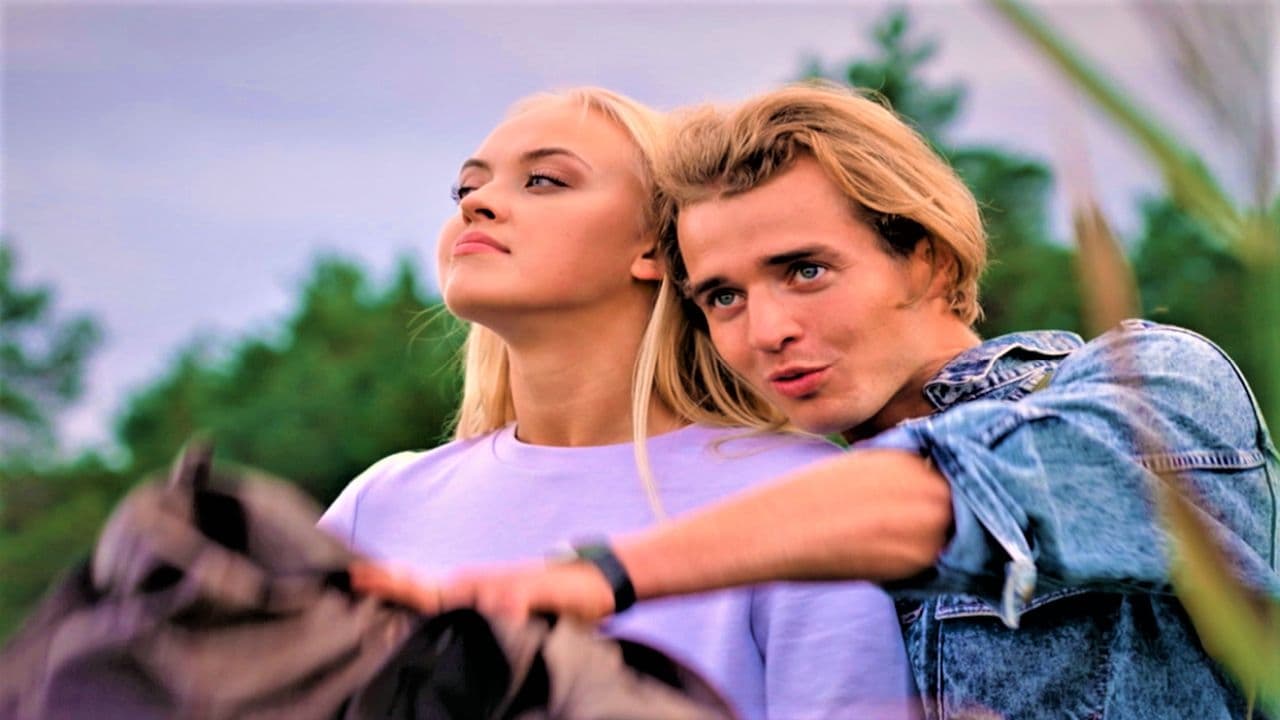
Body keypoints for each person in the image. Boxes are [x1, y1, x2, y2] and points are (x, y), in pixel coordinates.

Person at [354, 84, 1280, 719]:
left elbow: (940, 495)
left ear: (929, 260)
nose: (765, 331)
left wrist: (598, 577)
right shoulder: (789, 490)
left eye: (805, 271)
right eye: (723, 296)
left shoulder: (1156, 388)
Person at [322, 87, 917, 720]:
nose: (477, 203)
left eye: (544, 180)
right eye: (465, 188)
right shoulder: (378, 503)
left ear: (658, 247)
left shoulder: (807, 498)